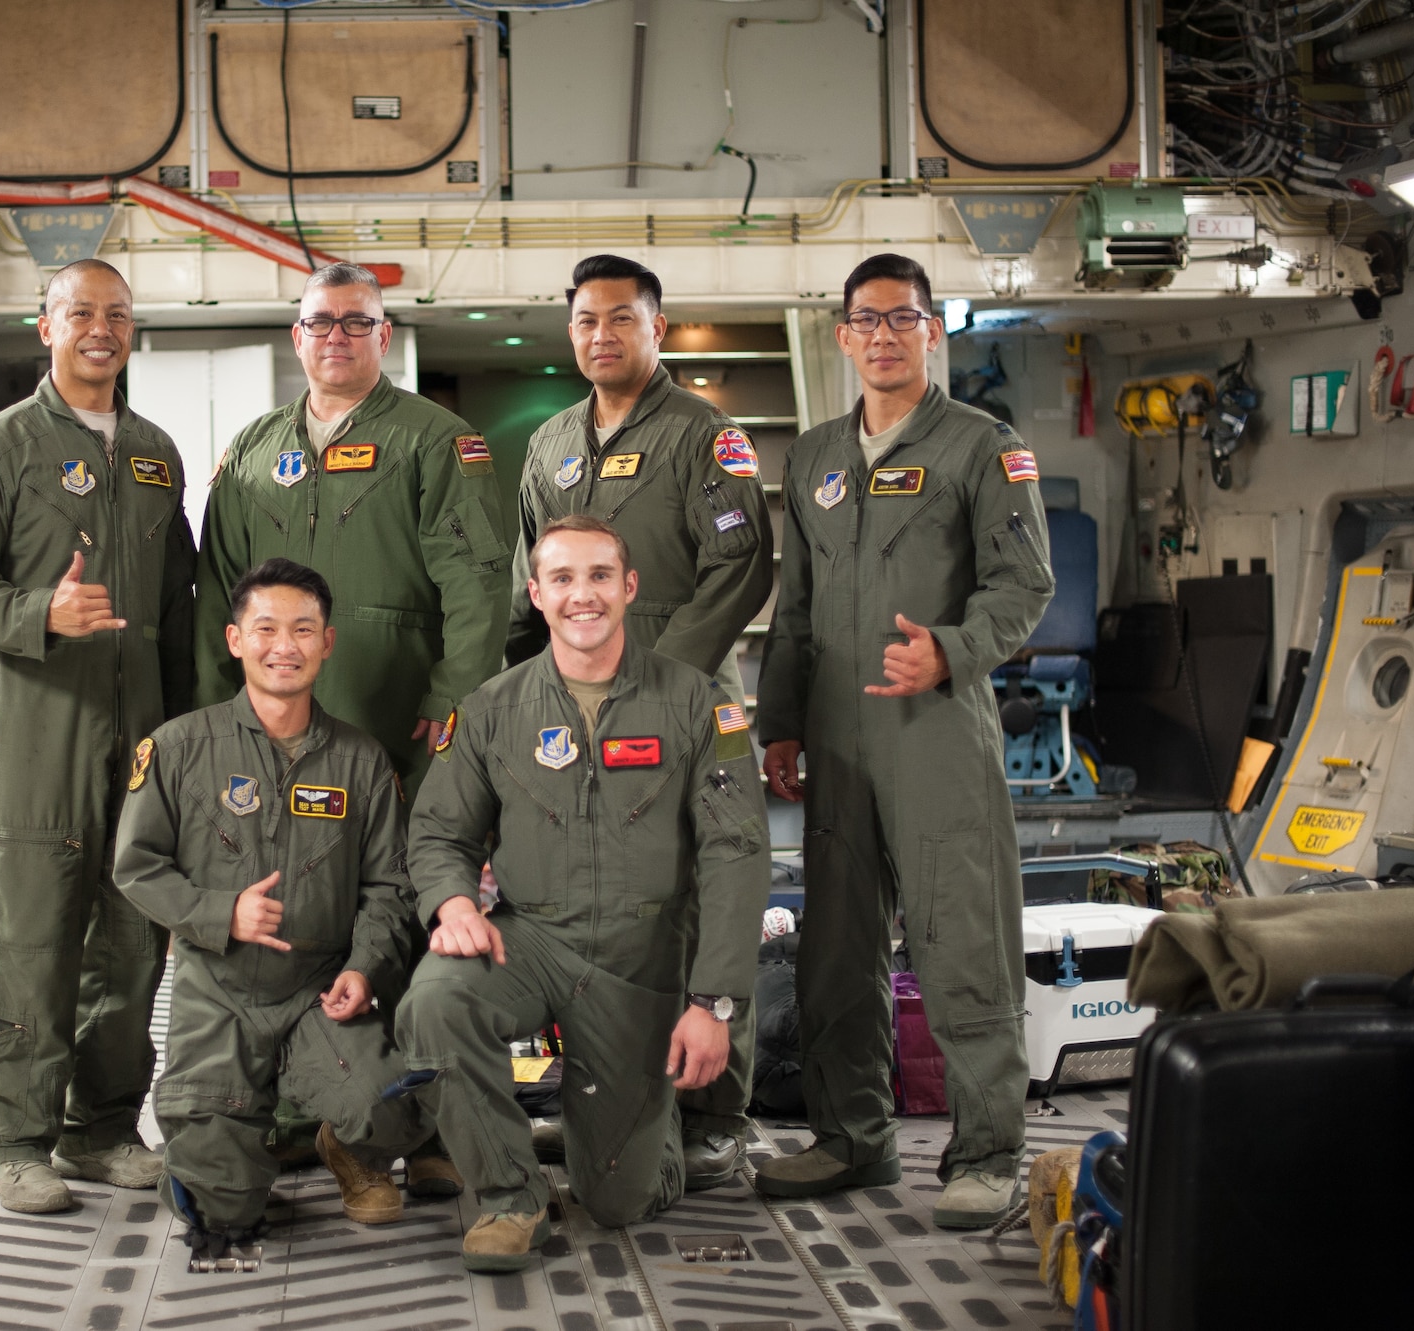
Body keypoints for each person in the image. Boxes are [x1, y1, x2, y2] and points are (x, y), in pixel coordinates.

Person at [752, 253, 1054, 1229]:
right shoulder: (809, 458)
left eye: (902, 318)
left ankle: (985, 1151)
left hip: (931, 724)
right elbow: (790, 606)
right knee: (834, 947)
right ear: (841, 336)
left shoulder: (981, 446)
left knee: (959, 937)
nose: (882, 335)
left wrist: (953, 653)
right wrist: (780, 721)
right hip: (834, 734)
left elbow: (1023, 587)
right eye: (865, 320)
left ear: (932, 331)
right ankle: (853, 1137)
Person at [398, 515, 768, 1273]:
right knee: (434, 1000)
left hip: (643, 961)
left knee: (618, 1201)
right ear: (536, 594)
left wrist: (715, 1002)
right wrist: (455, 903)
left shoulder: (700, 705)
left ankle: (637, 1130)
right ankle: (510, 1195)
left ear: (630, 587)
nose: (582, 595)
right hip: (532, 937)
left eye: (600, 576)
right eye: (562, 579)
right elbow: (439, 832)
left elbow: (737, 853)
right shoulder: (493, 708)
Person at [0, 258, 196, 1214]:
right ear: (44, 327)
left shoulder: (157, 454)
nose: (100, 328)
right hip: (36, 733)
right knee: (30, 937)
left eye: (117, 314)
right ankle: (13, 1139)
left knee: (132, 941)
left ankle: (103, 1127)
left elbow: (184, 601)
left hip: (142, 740)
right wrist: (46, 610)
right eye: (80, 312)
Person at [510, 254, 777, 1188]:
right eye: (586, 320)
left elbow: (741, 566)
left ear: (657, 327)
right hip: (570, 709)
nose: (601, 335)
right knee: (591, 899)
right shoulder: (548, 445)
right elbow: (528, 583)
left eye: (621, 319)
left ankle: (716, 1112)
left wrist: (663, 677)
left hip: (687, 698)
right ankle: (605, 1091)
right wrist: (516, 694)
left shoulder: (706, 435)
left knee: (697, 891)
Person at [115, 557, 434, 1249]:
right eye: (265, 628)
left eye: (303, 629)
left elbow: (390, 887)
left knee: (397, 1111)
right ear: (236, 640)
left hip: (317, 990)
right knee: (223, 1213)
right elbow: (135, 866)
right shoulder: (178, 748)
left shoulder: (361, 762)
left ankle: (341, 1142)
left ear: (327, 642)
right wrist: (218, 912)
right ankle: (227, 1145)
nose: (283, 645)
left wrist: (366, 970)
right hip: (218, 992)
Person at [195, 261, 510, 798]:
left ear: (383, 336)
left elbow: (476, 583)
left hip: (396, 711)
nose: (336, 335)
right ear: (299, 337)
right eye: (320, 322)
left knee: (395, 863)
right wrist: (214, 706)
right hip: (270, 714)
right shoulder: (252, 449)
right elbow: (218, 590)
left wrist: (454, 694)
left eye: (357, 322)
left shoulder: (435, 440)